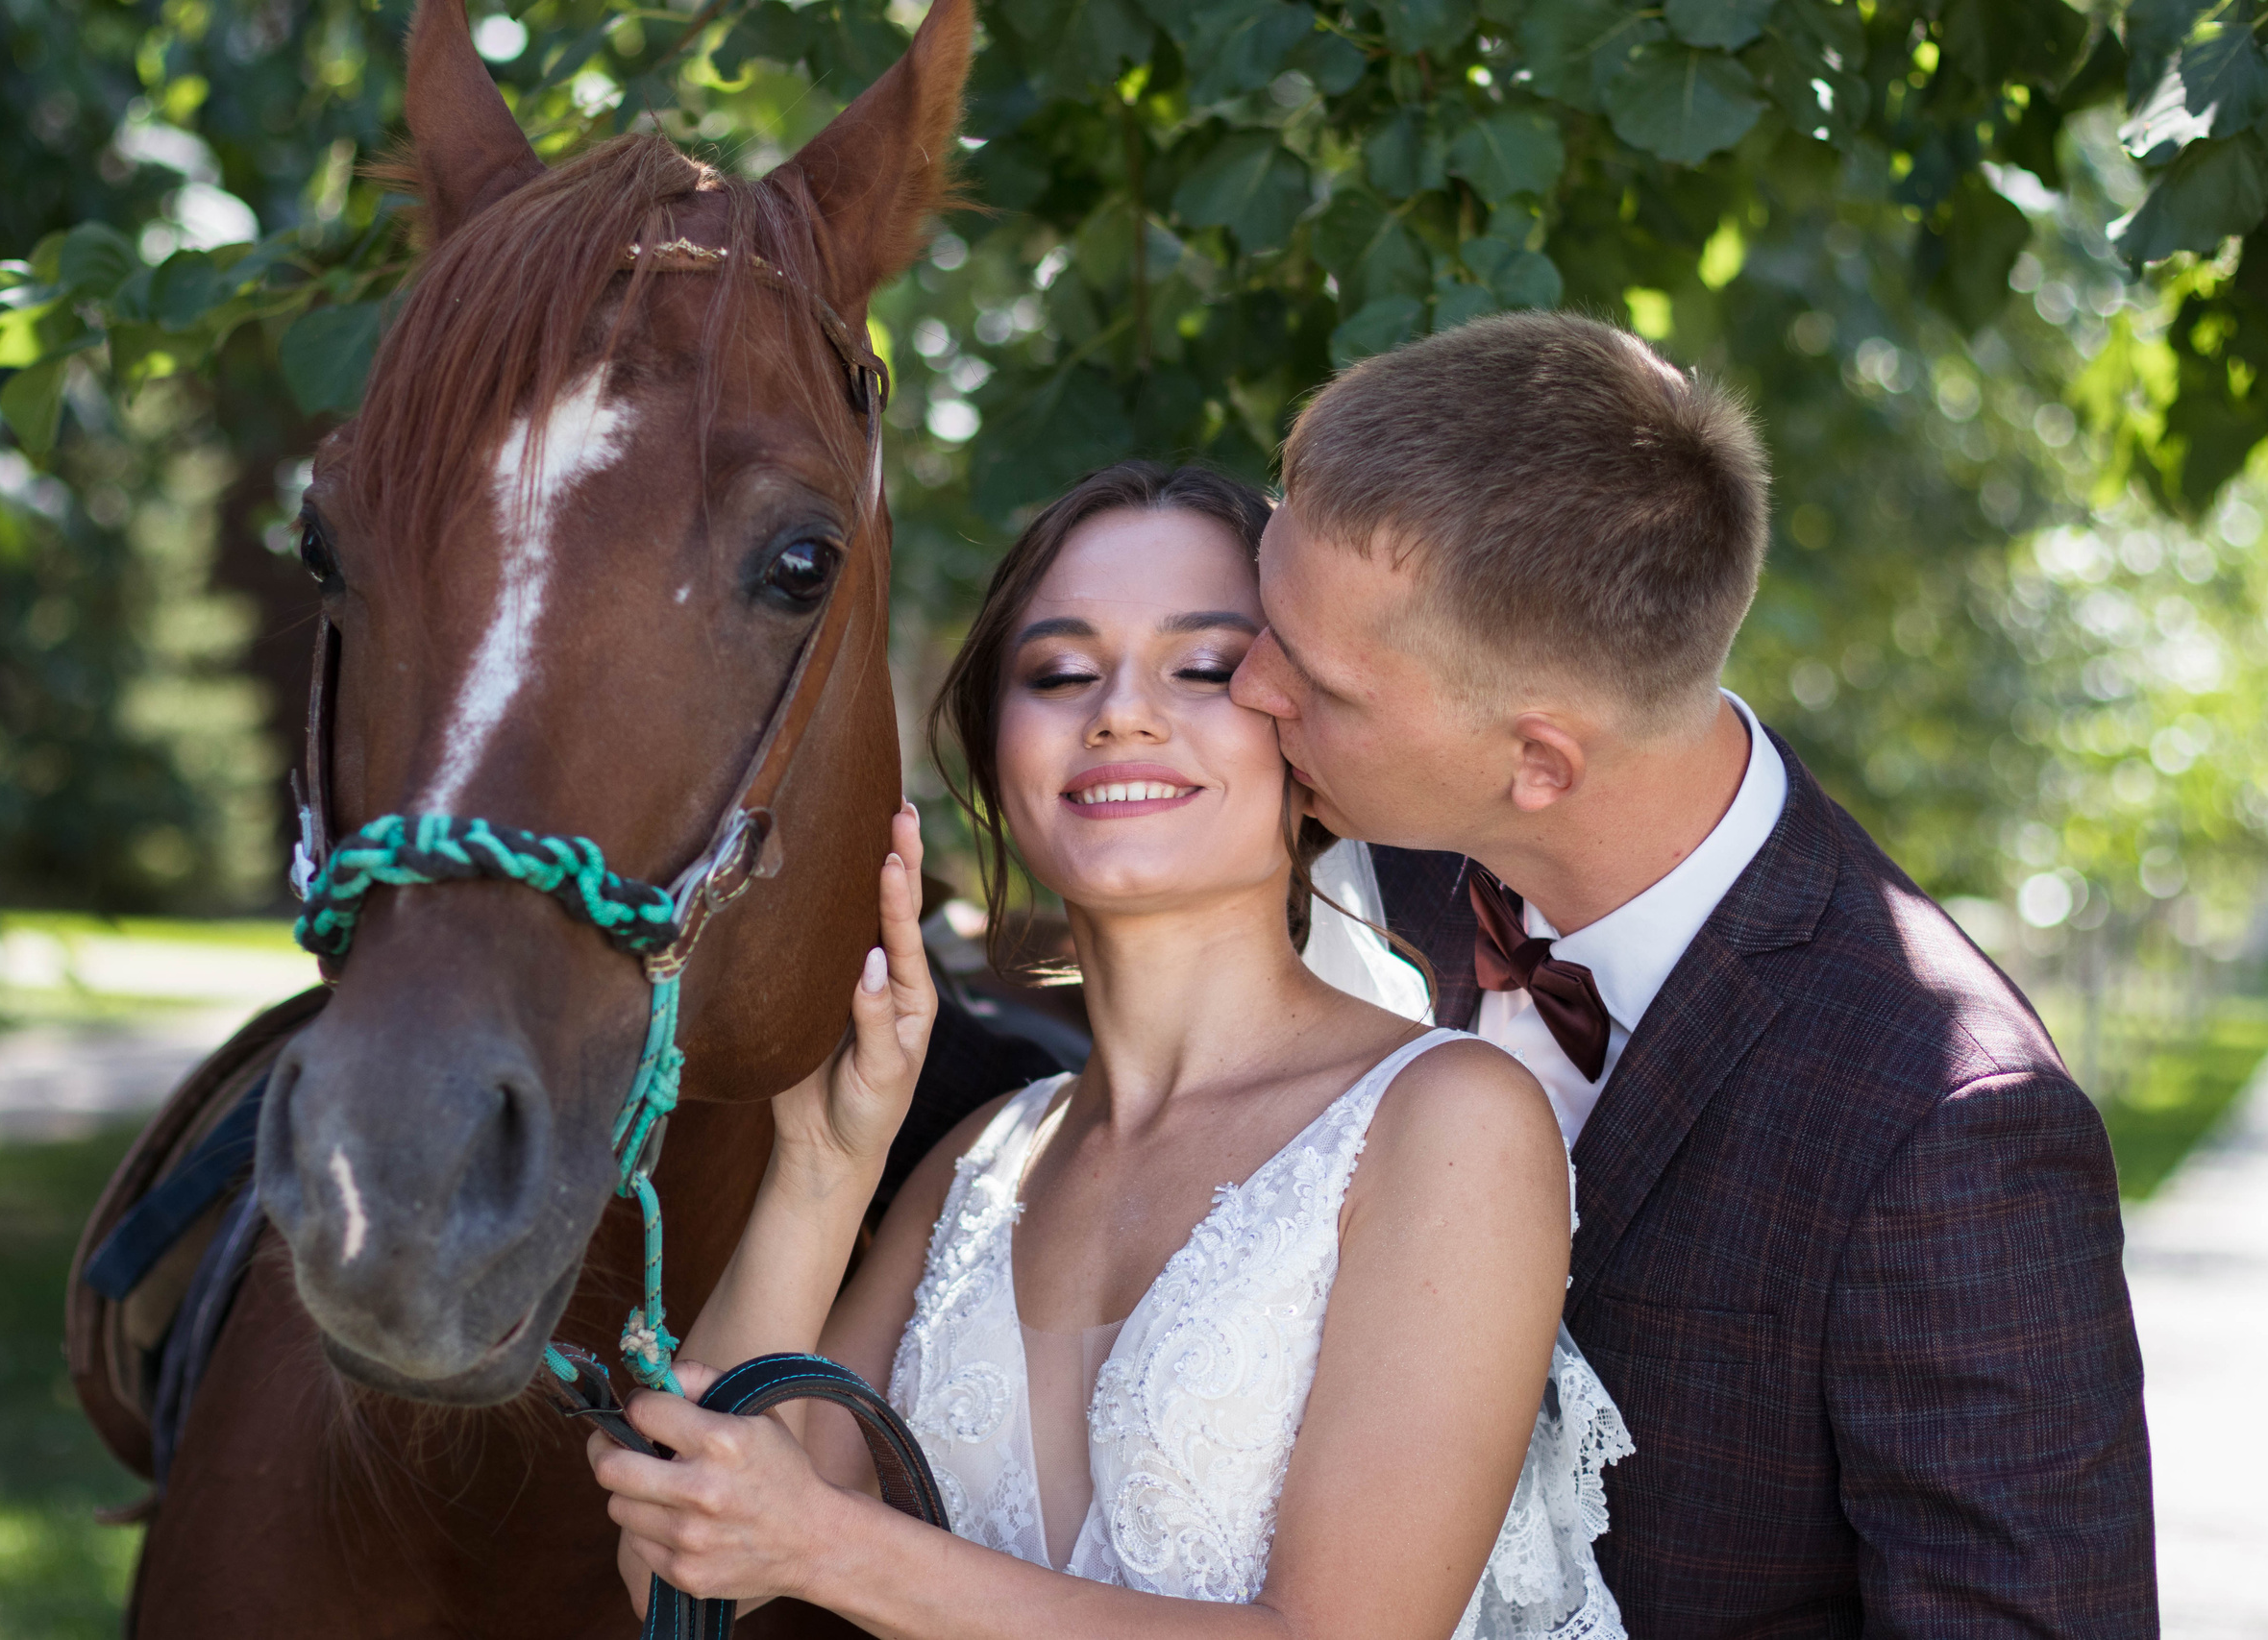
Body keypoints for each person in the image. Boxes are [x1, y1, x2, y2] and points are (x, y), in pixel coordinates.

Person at [586, 462, 1632, 1639]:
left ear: (1312, 746)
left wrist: (831, 1544)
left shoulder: (1448, 1120)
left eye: (1201, 669)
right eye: (1060, 673)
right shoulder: (977, 1166)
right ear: (996, 752)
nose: (1120, 713)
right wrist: (823, 1169)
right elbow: (682, 1573)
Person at [1227, 310, 2157, 1635]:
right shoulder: (1373, 862)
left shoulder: (1947, 1125)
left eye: (1314, 677)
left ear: (1540, 763)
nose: (1247, 686)